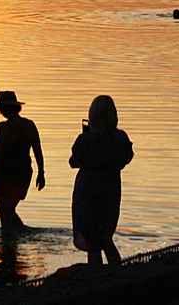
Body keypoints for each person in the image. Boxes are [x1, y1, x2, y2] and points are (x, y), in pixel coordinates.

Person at [69, 95, 133, 265]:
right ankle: (117, 271)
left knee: (91, 240)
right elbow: (127, 158)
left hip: (87, 191)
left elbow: (73, 162)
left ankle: (95, 274)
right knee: (106, 237)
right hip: (111, 189)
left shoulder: (85, 139)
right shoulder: (120, 137)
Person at [0, 90, 45, 234]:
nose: (0, 111)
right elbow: (37, 150)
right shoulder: (28, 125)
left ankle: (21, 236)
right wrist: (41, 172)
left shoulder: (4, 128)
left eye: (0, 108)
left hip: (9, 174)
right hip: (19, 173)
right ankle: (17, 239)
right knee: (8, 212)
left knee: (6, 213)